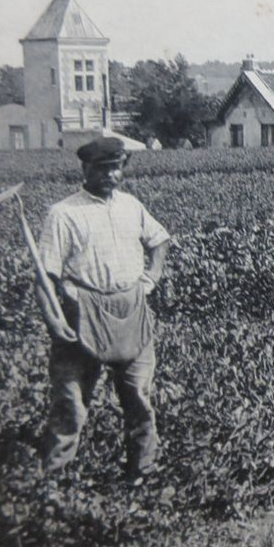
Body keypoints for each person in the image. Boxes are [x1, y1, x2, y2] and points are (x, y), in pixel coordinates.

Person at [37, 136, 171, 479]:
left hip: (129, 309)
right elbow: (45, 275)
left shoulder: (131, 206)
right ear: (85, 169)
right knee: (71, 403)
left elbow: (159, 240)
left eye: (116, 168)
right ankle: (52, 479)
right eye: (102, 169)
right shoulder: (63, 213)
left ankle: (142, 472)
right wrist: (54, 321)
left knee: (139, 397)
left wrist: (151, 279)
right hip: (82, 312)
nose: (110, 175)